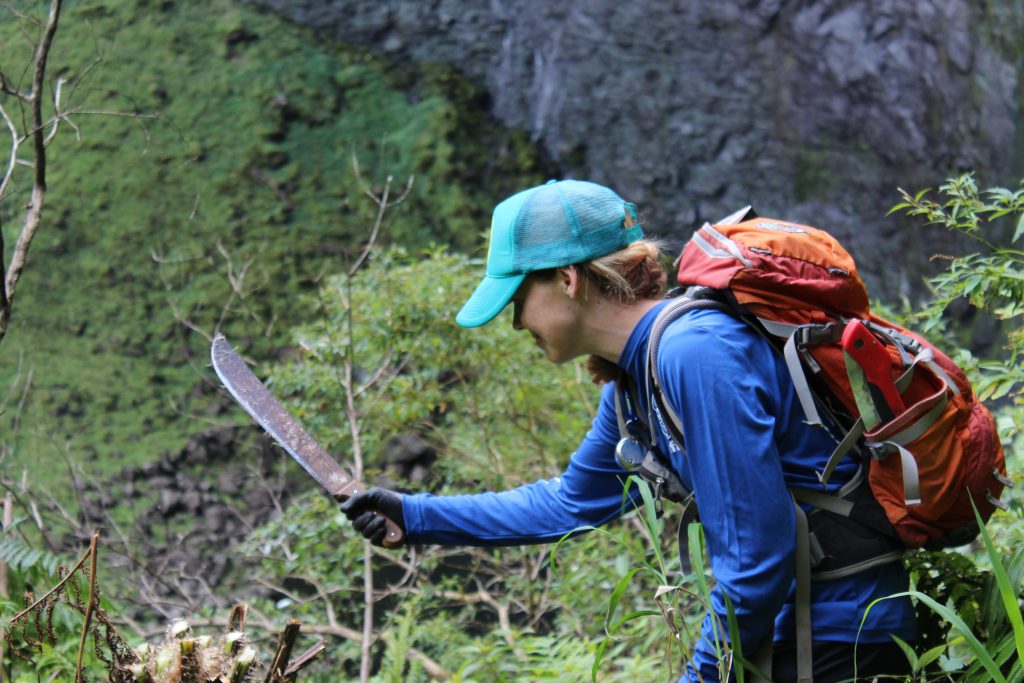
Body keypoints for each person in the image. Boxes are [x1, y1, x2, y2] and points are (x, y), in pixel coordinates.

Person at [341, 179, 917, 682]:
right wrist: (415, 517)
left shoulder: (694, 355)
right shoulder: (632, 385)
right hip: (798, 638)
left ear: (567, 279)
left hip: (846, 640)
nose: (514, 320)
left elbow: (757, 562)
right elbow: (569, 505)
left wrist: (700, 676)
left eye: (517, 297)